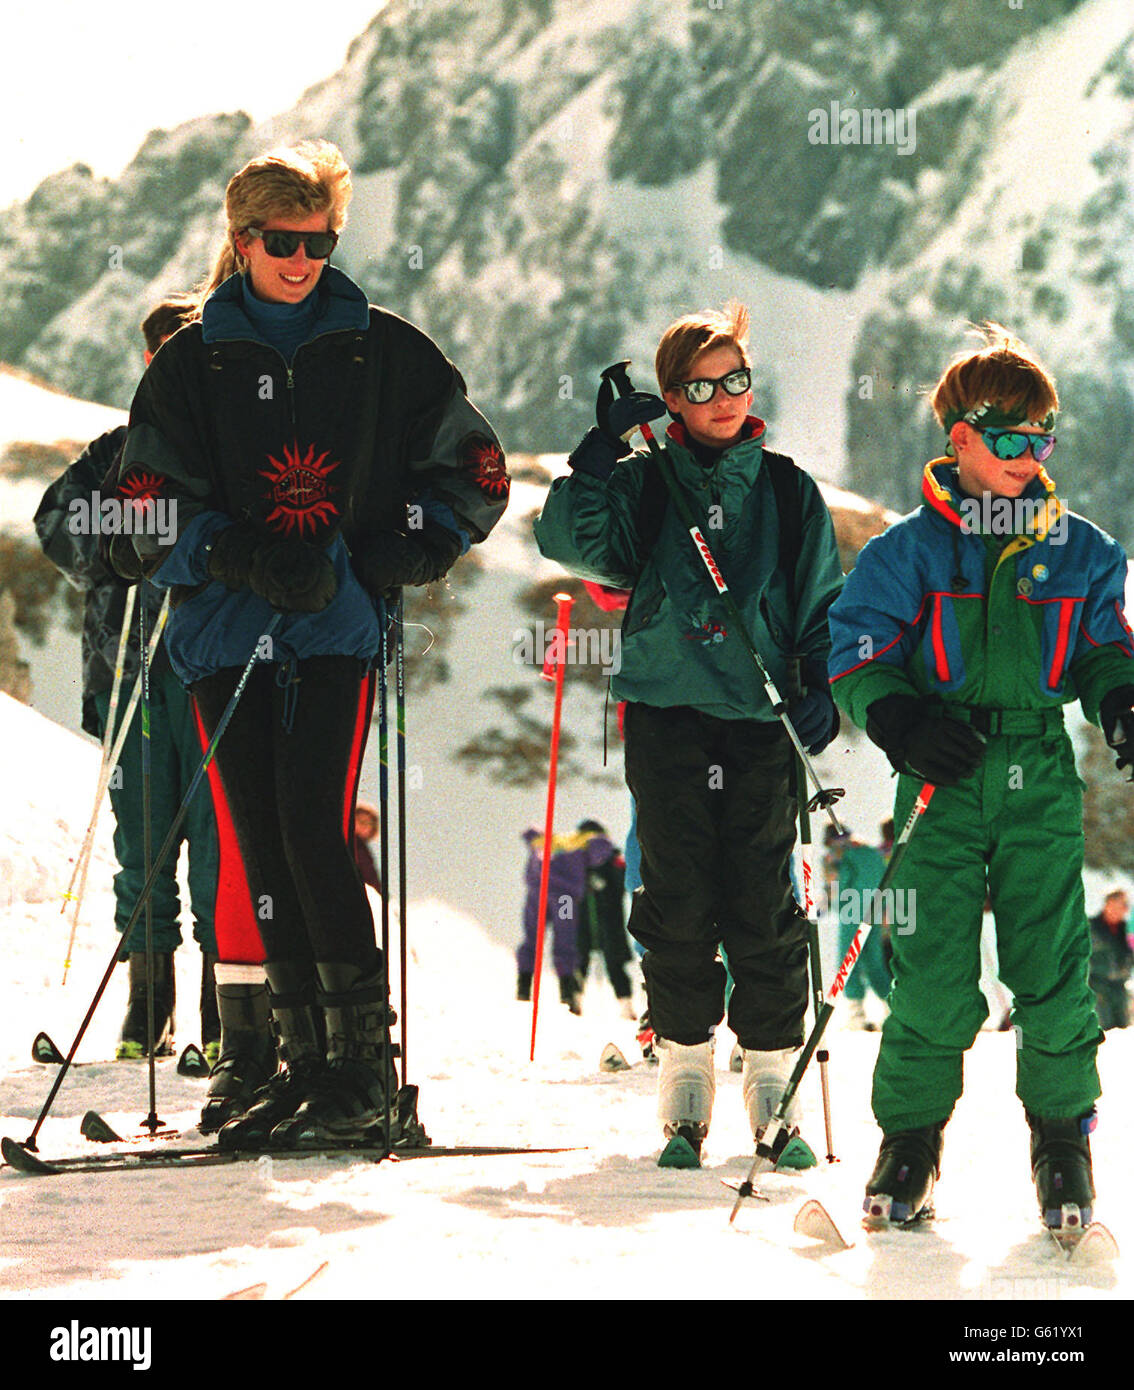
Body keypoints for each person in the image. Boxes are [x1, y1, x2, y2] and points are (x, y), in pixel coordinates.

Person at [109, 140, 507, 1149]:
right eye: (283, 241)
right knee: (260, 842)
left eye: (320, 240)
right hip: (222, 633)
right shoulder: (189, 364)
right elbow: (140, 512)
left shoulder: (386, 351)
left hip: (332, 627)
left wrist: (398, 547)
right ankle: (300, 1067)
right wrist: (233, 554)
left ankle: (361, 1077)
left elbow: (479, 470)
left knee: (313, 830)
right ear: (242, 241)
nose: (303, 258)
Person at [827, 323, 1134, 1231]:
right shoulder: (908, 551)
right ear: (957, 437)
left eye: (1042, 439)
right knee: (930, 970)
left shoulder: (1082, 550)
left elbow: (1106, 647)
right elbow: (858, 646)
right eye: (1008, 439)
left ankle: (1062, 1142)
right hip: (940, 777)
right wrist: (901, 719)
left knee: (1052, 964)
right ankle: (911, 1144)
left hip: (1038, 768)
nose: (1027, 457)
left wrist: (1120, 699)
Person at [534, 302, 843, 1157]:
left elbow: (823, 602)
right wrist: (596, 457)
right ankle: (685, 1070)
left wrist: (821, 685)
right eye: (702, 387)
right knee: (675, 895)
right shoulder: (644, 482)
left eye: (735, 380)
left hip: (759, 718)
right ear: (670, 398)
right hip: (669, 712)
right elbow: (570, 541)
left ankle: (772, 1073)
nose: (722, 400)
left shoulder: (786, 488)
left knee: (762, 897)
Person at [34, 294, 227, 1062]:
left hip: (210, 669)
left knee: (219, 850)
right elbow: (57, 524)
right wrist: (126, 533)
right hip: (129, 671)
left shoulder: (228, 448)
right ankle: (150, 1012)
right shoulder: (115, 452)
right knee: (142, 849)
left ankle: (225, 1011)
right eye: (160, 353)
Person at [517, 821, 616, 1015]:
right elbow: (602, 851)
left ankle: (523, 988)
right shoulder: (584, 841)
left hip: (538, 894)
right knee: (565, 939)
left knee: (532, 938)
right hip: (564, 898)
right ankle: (567, 992)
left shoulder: (547, 840)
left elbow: (529, 834)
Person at [824, 822, 891, 1030]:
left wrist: (829, 897)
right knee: (874, 962)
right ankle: (893, 1009)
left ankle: (856, 1014)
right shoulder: (871, 852)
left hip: (852, 912)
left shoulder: (841, 856)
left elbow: (840, 884)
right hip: (875, 911)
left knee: (848, 961)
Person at [573, 819, 638, 1019]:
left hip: (608, 919)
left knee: (614, 963)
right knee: (579, 961)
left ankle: (625, 1004)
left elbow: (623, 883)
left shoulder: (612, 858)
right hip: (586, 920)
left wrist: (604, 885)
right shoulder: (577, 860)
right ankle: (573, 1001)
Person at [1088, 889, 1132, 1031]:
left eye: (1123, 906)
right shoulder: (1091, 927)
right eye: (1117, 905)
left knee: (1123, 1030)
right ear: (1108, 904)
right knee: (1102, 1030)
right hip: (1096, 987)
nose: (1120, 910)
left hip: (1119, 988)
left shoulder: (1127, 930)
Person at [352, 801, 382, 894]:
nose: (364, 826)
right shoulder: (356, 845)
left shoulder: (362, 848)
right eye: (361, 821)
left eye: (368, 824)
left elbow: (371, 876)